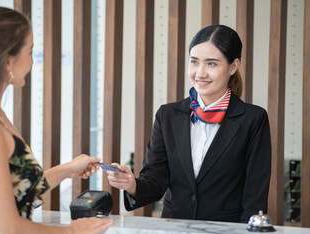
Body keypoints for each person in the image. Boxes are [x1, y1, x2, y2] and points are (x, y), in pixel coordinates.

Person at [0, 7, 112, 234]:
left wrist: (69, 169)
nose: (32, 61)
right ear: (8, 60)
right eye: (30, 51)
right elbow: (10, 230)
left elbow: (22, 191)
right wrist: (72, 232)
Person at [107, 24, 271, 223]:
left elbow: (255, 196)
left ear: (233, 67)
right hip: (174, 230)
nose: (200, 73)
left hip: (226, 233)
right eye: (194, 62)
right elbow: (156, 180)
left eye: (211, 64)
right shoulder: (167, 115)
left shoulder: (253, 119)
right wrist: (132, 184)